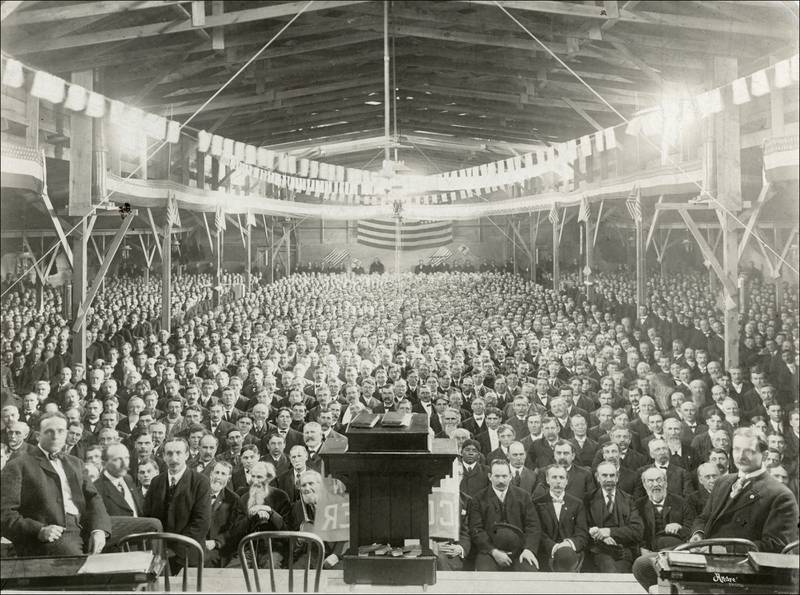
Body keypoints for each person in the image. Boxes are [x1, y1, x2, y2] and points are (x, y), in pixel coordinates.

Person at [1, 412, 111, 556]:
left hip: (86, 523)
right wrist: (39, 530)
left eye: (60, 431)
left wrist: (99, 529)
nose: (55, 436)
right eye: (49, 431)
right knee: (75, 562)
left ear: (66, 433)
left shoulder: (75, 463)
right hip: (55, 531)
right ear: (38, 435)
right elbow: (4, 514)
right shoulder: (18, 465)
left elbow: (93, 498)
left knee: (148, 527)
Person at [690, 427, 798, 552]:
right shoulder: (722, 482)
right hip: (705, 556)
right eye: (736, 449)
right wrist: (698, 534)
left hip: (741, 566)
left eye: (749, 451)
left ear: (764, 455)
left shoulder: (780, 495)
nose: (740, 456)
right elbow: (704, 518)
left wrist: (727, 550)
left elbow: (775, 545)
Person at [143, 436, 211, 568]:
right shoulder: (156, 482)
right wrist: (160, 549)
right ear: (163, 456)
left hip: (188, 554)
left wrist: (174, 550)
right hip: (159, 555)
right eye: (169, 453)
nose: (174, 459)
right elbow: (147, 517)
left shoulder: (200, 482)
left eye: (178, 453)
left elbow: (201, 523)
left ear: (186, 455)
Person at [469, 458, 540, 572]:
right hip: (489, 552)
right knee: (485, 576)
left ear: (510, 476)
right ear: (489, 476)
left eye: (504, 476)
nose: (501, 480)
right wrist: (493, 551)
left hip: (520, 551)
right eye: (497, 476)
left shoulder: (524, 497)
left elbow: (533, 526)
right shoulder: (478, 499)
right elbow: (476, 529)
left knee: (529, 574)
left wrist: (528, 549)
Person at [631, 467, 696, 589]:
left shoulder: (681, 502)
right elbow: (636, 531)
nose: (655, 484)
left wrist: (679, 527)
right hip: (650, 553)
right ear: (644, 485)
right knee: (642, 565)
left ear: (666, 482)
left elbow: (692, 529)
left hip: (676, 552)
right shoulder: (638, 505)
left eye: (659, 480)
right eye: (650, 481)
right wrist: (642, 547)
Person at [586, 461, 643, 573]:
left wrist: (609, 531)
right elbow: (584, 528)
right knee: (609, 569)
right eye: (604, 475)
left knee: (620, 572)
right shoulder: (587, 500)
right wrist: (601, 537)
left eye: (612, 475)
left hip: (623, 550)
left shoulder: (629, 500)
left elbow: (637, 531)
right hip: (599, 550)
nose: (609, 479)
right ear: (597, 477)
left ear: (617, 477)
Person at [533, 464, 589, 572]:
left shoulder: (577, 504)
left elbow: (582, 532)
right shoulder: (537, 503)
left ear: (567, 481)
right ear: (547, 480)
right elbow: (537, 532)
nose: (558, 481)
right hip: (547, 553)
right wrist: (554, 547)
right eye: (554, 477)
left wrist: (568, 545)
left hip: (572, 553)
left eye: (561, 478)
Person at [288, 469, 348, 569]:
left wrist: (336, 555)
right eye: (303, 485)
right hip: (314, 554)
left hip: (338, 553)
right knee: (296, 571)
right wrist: (299, 541)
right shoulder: (297, 508)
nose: (307, 488)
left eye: (311, 483)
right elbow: (293, 535)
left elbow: (349, 533)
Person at [204, 460, 244, 568]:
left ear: (229, 478)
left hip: (218, 548)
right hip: (197, 542)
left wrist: (216, 542)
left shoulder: (233, 499)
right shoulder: (199, 493)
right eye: (216, 473)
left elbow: (234, 529)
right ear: (211, 473)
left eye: (223, 474)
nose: (218, 477)